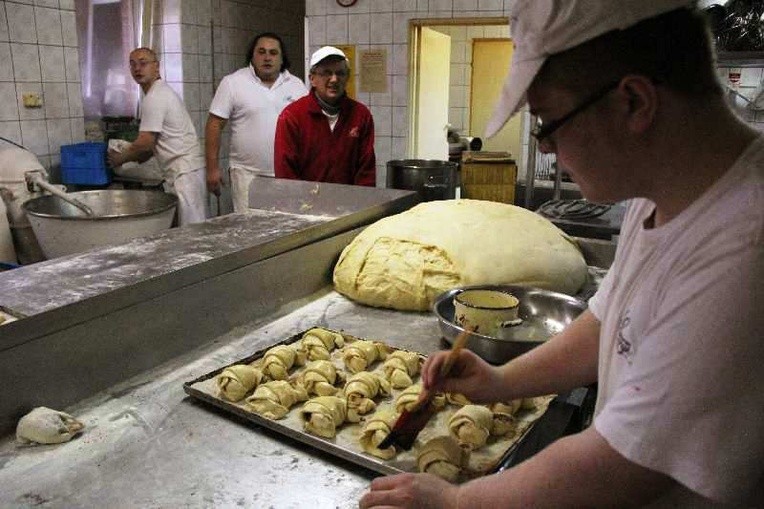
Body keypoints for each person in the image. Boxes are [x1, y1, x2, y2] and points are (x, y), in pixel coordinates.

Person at [360, 1, 763, 507]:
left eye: (547, 122)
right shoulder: (662, 190)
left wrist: (458, 503)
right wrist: (502, 382)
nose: (546, 148)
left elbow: (622, 464)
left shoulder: (746, 246)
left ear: (634, 103)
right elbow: (605, 323)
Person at [205, 32, 307, 212]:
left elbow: (308, 129)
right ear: (252, 56)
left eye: (273, 53)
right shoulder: (233, 83)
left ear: (282, 59)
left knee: (284, 228)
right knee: (249, 230)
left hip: (288, 175)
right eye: (261, 52)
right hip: (247, 175)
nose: (267, 57)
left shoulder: (297, 85)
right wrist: (212, 168)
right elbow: (214, 125)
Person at [107, 47, 207, 225]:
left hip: (184, 172)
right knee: (189, 229)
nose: (137, 68)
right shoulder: (160, 93)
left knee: (193, 232)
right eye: (133, 64)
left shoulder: (155, 97)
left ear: (157, 67)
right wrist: (132, 156)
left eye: (143, 63)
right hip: (185, 170)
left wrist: (120, 158)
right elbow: (151, 148)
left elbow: (145, 143)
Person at [274, 46, 376, 186]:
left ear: (347, 78)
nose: (334, 79)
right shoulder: (292, 116)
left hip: (349, 203)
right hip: (305, 204)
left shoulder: (361, 115)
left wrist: (363, 204)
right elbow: (285, 172)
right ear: (312, 79)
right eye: (326, 73)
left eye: (340, 73)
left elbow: (366, 171)